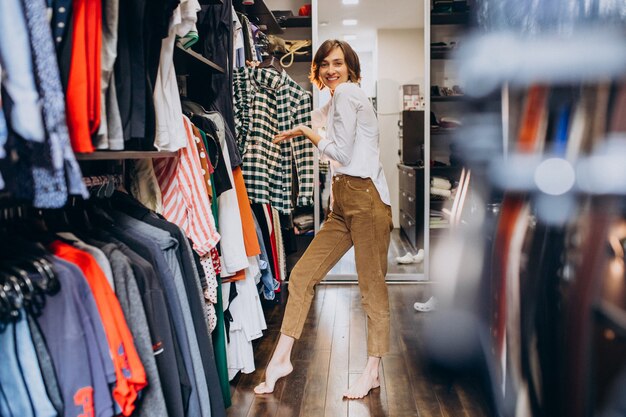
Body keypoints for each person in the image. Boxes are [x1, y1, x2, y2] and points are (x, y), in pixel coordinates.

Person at [254, 39, 393, 399]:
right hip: (343, 202)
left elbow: (342, 154)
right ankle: (281, 359)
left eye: (338, 63)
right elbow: (338, 156)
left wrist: (305, 131)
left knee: (371, 289)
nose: (332, 70)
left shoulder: (348, 93)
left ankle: (373, 370)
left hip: (365, 200)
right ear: (317, 69)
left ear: (350, 68)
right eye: (325, 64)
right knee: (301, 276)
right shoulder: (334, 102)